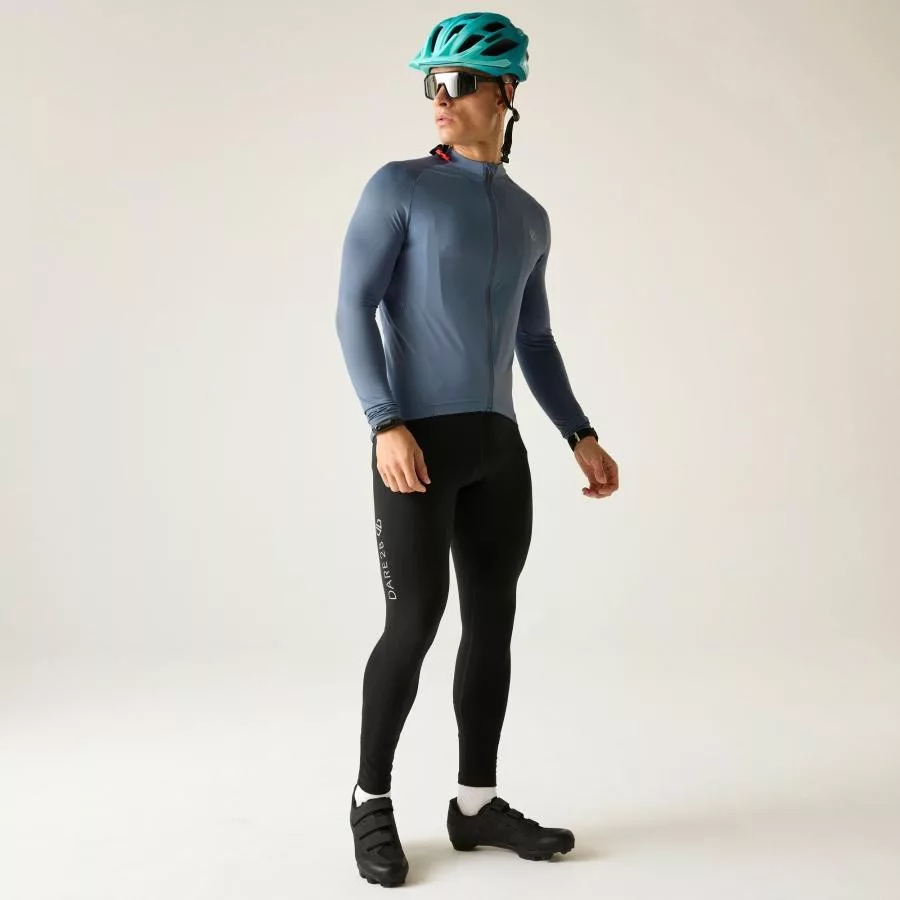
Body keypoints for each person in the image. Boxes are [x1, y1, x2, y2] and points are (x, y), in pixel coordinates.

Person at [335, 11, 619, 887]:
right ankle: (369, 799)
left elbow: (535, 340)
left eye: (459, 83)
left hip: (500, 450)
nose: (440, 98)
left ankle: (475, 804)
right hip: (416, 443)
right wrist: (384, 421)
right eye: (434, 83)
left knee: (492, 622)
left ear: (506, 91)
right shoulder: (400, 187)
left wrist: (580, 433)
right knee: (415, 622)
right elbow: (351, 308)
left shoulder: (530, 217)